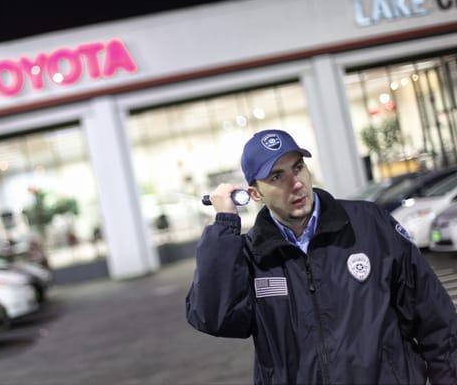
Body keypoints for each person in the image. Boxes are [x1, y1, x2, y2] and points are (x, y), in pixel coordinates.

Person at [185, 129, 457, 384]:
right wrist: (224, 225)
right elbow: (214, 317)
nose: (296, 184)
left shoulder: (369, 224)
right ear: (255, 193)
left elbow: (436, 319)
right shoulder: (253, 255)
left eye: (298, 167)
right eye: (277, 177)